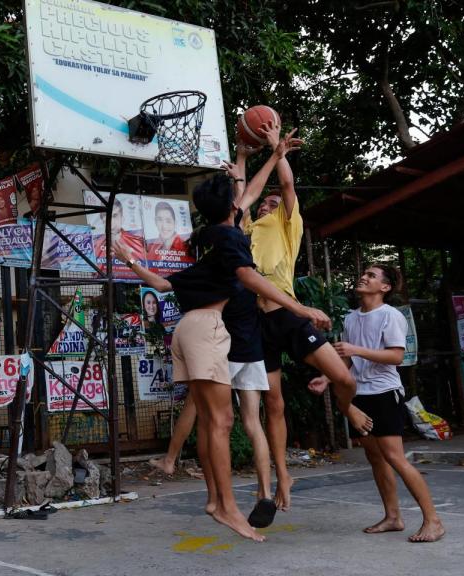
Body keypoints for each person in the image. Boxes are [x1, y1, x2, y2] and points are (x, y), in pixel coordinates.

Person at [114, 173, 335, 542]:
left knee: (208, 421)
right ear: (233, 208)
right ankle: (228, 508)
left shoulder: (213, 250)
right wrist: (299, 307)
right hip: (206, 332)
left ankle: (215, 500)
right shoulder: (231, 240)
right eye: (240, 198)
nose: (246, 199)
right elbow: (249, 276)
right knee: (221, 421)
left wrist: (130, 260)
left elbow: (163, 284)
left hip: (188, 330)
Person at [230, 119, 367, 512]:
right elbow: (242, 196)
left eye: (274, 204)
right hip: (258, 325)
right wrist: (241, 157)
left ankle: (346, 407)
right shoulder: (250, 229)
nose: (269, 205)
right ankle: (281, 475)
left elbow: (286, 187)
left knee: (341, 376)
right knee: (274, 405)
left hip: (288, 315)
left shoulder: (288, 225)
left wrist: (278, 148)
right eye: (266, 203)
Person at [308, 265, 445, 543]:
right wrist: (325, 377)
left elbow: (396, 356)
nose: (364, 277)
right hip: (359, 395)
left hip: (384, 393)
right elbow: (347, 359)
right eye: (364, 273)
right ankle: (393, 517)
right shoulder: (351, 318)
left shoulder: (390, 315)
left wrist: (355, 349)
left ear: (385, 287)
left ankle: (434, 520)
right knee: (375, 458)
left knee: (394, 457)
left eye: (371, 275)